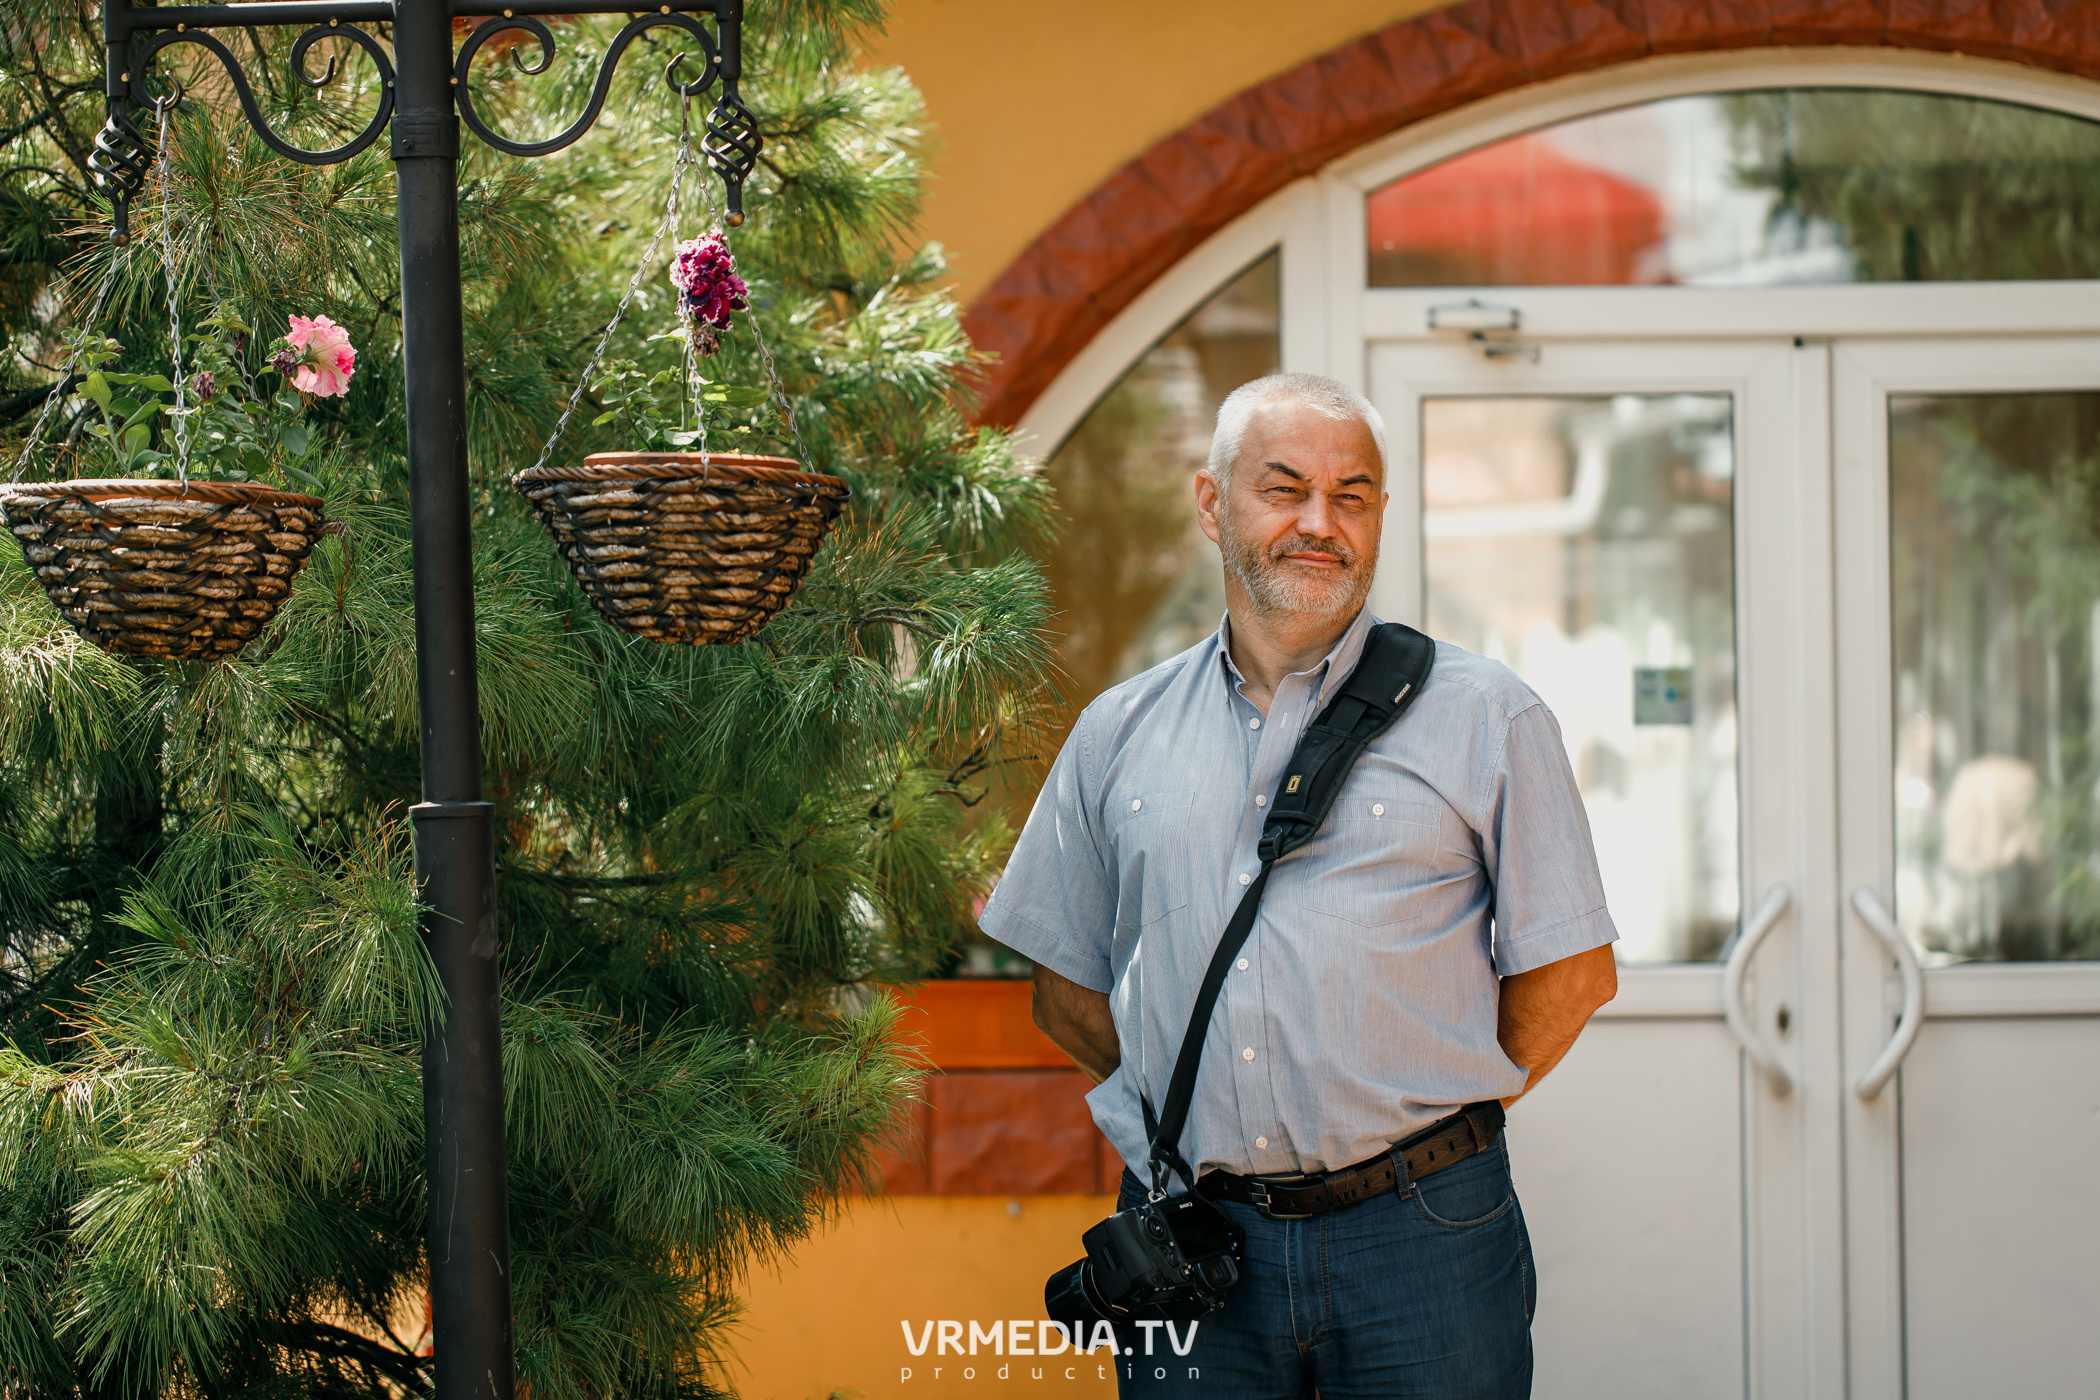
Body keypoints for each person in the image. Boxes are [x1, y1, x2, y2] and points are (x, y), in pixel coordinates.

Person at [978, 372, 1620, 1398]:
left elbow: (1574, 973)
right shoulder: (1116, 732)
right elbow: (1064, 988)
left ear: (1379, 517)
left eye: (1350, 495)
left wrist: (1422, 1106)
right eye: (1284, 489)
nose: (1320, 522)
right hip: (1194, 1235)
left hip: (1425, 1236)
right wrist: (1187, 1120)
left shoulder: (1489, 716)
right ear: (1211, 503)